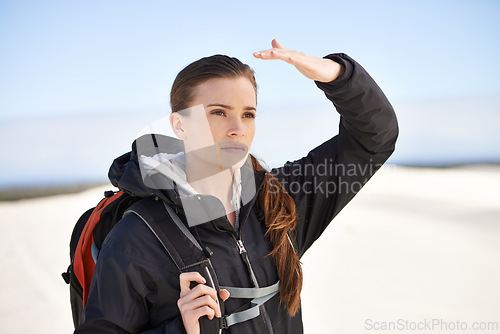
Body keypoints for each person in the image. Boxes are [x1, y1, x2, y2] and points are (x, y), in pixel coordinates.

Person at [75, 39, 398, 334]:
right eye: (218, 112)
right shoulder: (138, 234)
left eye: (248, 114)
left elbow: (374, 139)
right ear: (180, 124)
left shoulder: (280, 200)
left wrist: (339, 76)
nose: (237, 129)